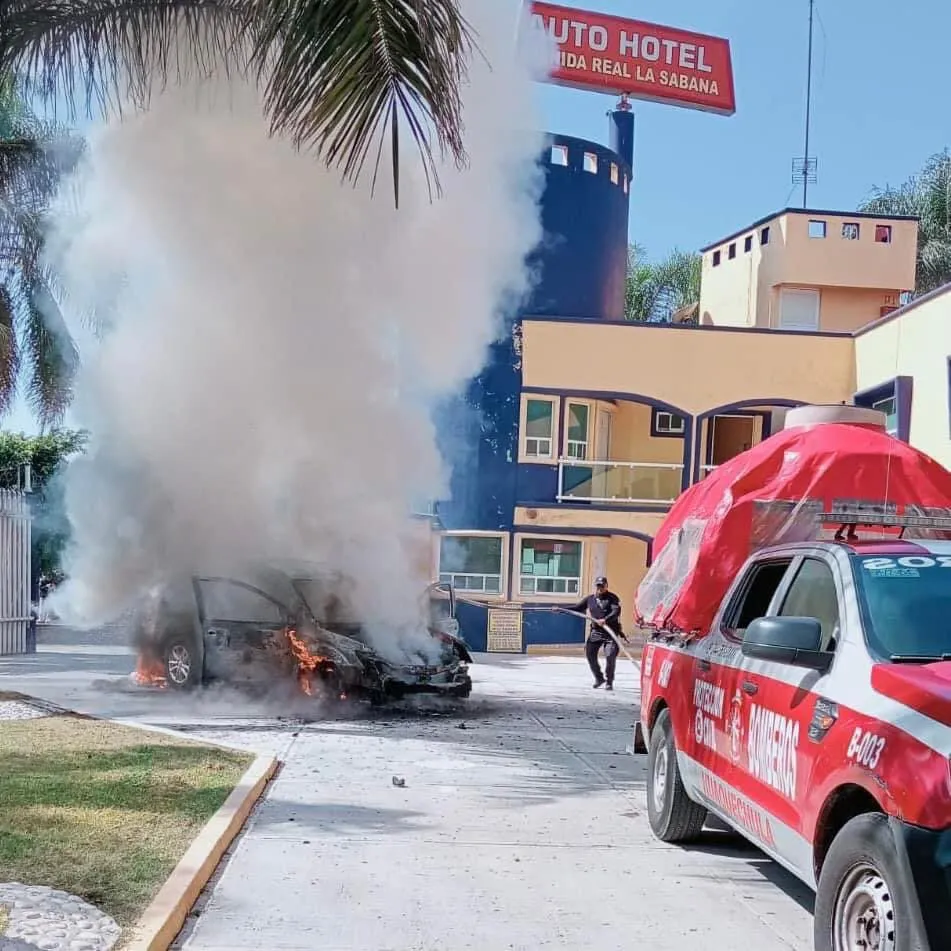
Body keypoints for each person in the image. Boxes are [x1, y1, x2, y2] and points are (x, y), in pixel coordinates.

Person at [570, 576, 626, 690]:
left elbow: (616, 612)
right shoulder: (590, 599)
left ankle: (609, 682)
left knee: (610, 656)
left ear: (606, 586)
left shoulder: (612, 598)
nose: (600, 588)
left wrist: (605, 619)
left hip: (611, 633)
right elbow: (577, 608)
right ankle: (599, 678)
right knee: (590, 655)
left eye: (602, 586)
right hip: (596, 632)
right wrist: (560, 609)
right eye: (598, 586)